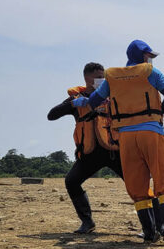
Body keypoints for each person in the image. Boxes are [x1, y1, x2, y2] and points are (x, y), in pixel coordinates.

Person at [72, 40, 164, 243]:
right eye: (148, 56)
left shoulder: (112, 78)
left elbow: (94, 102)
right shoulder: (151, 72)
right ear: (142, 56)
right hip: (151, 133)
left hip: (125, 138)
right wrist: (160, 112)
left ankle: (150, 233)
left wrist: (81, 102)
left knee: (137, 184)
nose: (150, 59)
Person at [47, 62, 123, 234]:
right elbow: (51, 115)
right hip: (89, 154)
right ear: (87, 78)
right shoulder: (76, 98)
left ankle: (153, 224)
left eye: (103, 77)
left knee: (136, 183)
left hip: (113, 151)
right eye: (97, 77)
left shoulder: (112, 96)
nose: (101, 80)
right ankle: (87, 222)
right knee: (71, 181)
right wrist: (73, 105)